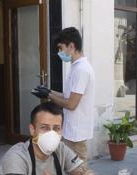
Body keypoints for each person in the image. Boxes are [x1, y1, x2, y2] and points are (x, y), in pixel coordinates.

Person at [37, 27, 95, 164]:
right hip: (71, 129)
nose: (59, 52)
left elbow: (71, 104)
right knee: (71, 170)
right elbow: (67, 95)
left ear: (71, 46)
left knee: (79, 173)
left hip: (77, 133)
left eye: (61, 48)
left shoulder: (81, 70)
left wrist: (50, 96)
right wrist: (48, 91)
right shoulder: (76, 67)